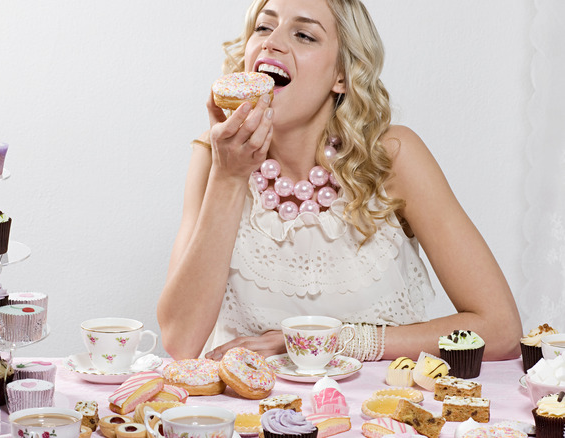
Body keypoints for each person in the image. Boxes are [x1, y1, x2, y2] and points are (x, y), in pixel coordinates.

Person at [156, 0, 522, 362]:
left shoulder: (393, 156)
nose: (271, 42)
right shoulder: (214, 158)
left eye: (304, 35)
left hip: (381, 409)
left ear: (342, 76)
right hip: (250, 413)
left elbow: (500, 329)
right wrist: (230, 176)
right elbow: (181, 342)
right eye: (264, 27)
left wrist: (322, 342)